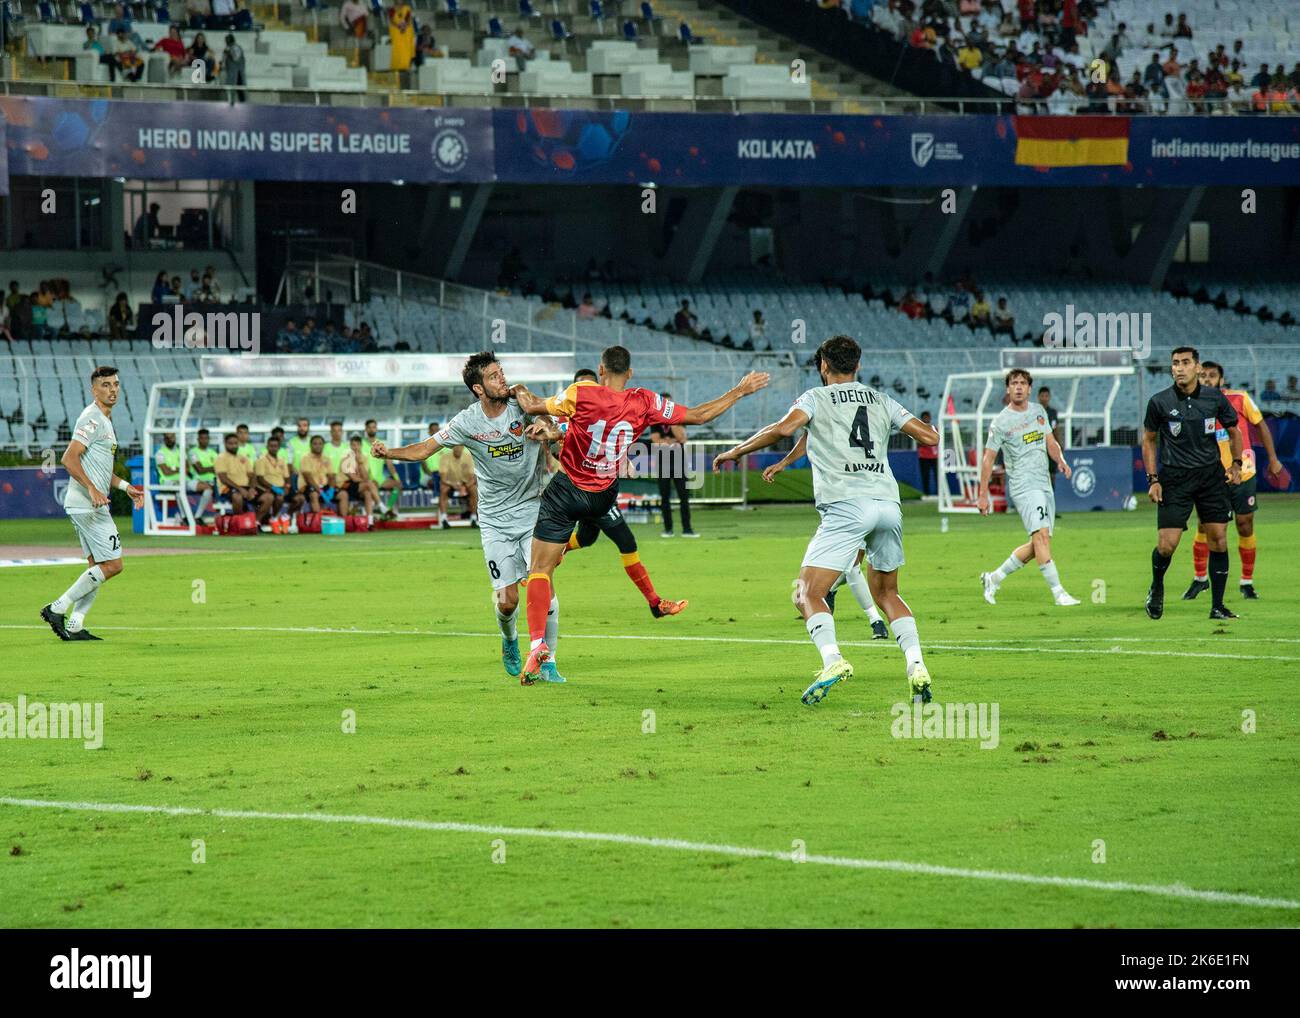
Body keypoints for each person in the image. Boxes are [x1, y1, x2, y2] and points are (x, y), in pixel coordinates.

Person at [511, 346, 769, 683]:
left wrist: (514, 388)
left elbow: (531, 405)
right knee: (593, 537)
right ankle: (646, 598)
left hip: (568, 488)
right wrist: (741, 389)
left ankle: (536, 644)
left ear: (601, 369)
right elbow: (701, 415)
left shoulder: (581, 392)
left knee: (539, 569)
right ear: (629, 373)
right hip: (603, 495)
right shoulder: (645, 401)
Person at [712, 335, 937, 706]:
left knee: (806, 593)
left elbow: (784, 429)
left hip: (847, 506)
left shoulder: (815, 398)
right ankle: (916, 665)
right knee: (888, 593)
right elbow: (929, 437)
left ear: (823, 366)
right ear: (858, 365)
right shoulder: (881, 400)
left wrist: (737, 451)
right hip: (888, 505)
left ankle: (833, 660)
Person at [372, 352, 561, 682]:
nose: (501, 380)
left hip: (533, 509)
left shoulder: (523, 403)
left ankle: (549, 662)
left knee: (542, 584)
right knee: (508, 600)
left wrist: (547, 428)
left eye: (502, 373)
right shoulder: (468, 422)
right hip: (494, 520)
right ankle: (510, 640)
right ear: (478, 388)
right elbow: (426, 449)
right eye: (493, 377)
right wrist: (390, 452)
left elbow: (554, 427)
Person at [41, 367, 145, 641]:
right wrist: (91, 488)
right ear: (94, 390)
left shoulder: (105, 421)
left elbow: (100, 470)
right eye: (105, 385)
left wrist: (126, 488)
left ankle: (75, 625)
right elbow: (68, 458)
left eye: (116, 384)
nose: (112, 390)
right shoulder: (92, 418)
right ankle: (57, 608)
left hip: (87, 504)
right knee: (114, 565)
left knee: (96, 567)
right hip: (87, 504)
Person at [1142, 347, 1241, 621]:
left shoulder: (1214, 398)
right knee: (1167, 545)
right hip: (1175, 478)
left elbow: (1234, 431)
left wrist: (1235, 464)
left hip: (1211, 477)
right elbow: (1149, 440)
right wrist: (1153, 480)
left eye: (1186, 362)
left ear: (1197, 368)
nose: (1180, 368)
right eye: (1175, 363)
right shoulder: (1159, 402)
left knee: (1219, 540)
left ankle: (1217, 606)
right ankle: (1157, 587)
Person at [762, 432, 892, 641]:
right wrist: (784, 462)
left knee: (852, 565)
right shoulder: (852, 410)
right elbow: (809, 436)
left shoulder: (836, 411)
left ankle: (828, 589)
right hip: (853, 502)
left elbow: (789, 430)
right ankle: (875, 620)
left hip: (863, 497)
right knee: (852, 566)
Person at [1183, 361, 1284, 602]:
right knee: (1204, 527)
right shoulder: (1192, 405)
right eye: (1204, 376)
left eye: (1212, 376)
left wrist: (1273, 458)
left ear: (1221, 379)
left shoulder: (1239, 398)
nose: (1207, 379)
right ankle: (1200, 580)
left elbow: (1260, 426)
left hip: (1243, 471)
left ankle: (1246, 582)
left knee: (1245, 524)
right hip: (1209, 475)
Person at [977, 370, 1079, 608]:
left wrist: (1061, 461)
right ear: (1008, 389)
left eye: (1023, 383)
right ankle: (1058, 593)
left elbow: (1050, 442)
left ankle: (993, 578)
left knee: (1037, 544)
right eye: (1014, 383)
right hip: (1024, 486)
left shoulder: (1038, 412)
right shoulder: (1001, 422)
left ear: (1030, 389)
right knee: (1042, 537)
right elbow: (988, 459)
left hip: (1043, 483)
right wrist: (983, 495)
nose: (1019, 387)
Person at [649, 392, 695, 538]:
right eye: (664, 403)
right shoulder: (654, 420)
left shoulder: (680, 418)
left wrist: (671, 421)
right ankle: (668, 529)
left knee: (684, 496)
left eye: (669, 403)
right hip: (663, 462)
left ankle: (687, 529)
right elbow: (655, 440)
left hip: (679, 462)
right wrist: (670, 441)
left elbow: (682, 438)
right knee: (665, 497)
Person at [215, 431, 265, 517]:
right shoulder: (221, 458)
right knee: (237, 496)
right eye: (230, 443)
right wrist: (240, 489)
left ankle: (256, 522)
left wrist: (252, 488)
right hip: (227, 488)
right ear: (225, 444)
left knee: (268, 497)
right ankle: (239, 522)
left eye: (235, 443)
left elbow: (252, 475)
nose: (234, 446)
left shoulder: (243, 458)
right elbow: (223, 478)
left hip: (246, 487)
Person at [361, 419, 402, 519]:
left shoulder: (381, 444)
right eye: (369, 427)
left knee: (398, 485)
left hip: (380, 478)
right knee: (372, 486)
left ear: (376, 429)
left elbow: (389, 464)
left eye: (374, 427)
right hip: (368, 479)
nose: (372, 429)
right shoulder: (361, 444)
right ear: (366, 429)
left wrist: (396, 477)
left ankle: (387, 510)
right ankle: (379, 511)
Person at [254, 435, 297, 525]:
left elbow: (287, 477)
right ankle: (264, 520)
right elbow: (260, 479)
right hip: (266, 488)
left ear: (279, 447)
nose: (273, 448)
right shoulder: (261, 460)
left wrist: (287, 487)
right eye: (271, 446)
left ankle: (281, 517)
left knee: (299, 498)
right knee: (277, 498)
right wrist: (274, 488)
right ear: (267, 447)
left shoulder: (282, 460)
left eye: (275, 446)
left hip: (281, 488)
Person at [437, 445, 478, 526]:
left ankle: (474, 518)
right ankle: (444, 519)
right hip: (450, 484)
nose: (458, 448)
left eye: (460, 446)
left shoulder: (469, 457)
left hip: (465, 484)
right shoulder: (445, 457)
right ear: (452, 447)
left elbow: (473, 477)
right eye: (456, 446)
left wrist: (464, 487)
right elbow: (443, 478)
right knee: (443, 489)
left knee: (474, 489)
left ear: (463, 447)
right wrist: (453, 485)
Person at [187, 427, 218, 523]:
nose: (204, 440)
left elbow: (218, 469)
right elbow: (199, 470)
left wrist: (209, 469)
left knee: (208, 491)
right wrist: (212, 468)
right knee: (208, 488)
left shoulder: (213, 453)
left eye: (206, 438)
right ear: (198, 439)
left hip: (212, 482)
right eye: (202, 438)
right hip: (197, 481)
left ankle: (197, 517)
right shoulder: (193, 452)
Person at [1037, 385, 1062, 485]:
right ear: (1038, 397)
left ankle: (1050, 496)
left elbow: (1055, 429)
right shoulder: (1034, 412)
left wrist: (1059, 444)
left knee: (1052, 473)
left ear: (1049, 397)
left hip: (1050, 446)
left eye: (1046, 396)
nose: (1044, 398)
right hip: (1038, 447)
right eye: (1042, 396)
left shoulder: (1052, 413)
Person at [916, 409, 938, 496]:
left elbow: (937, 440)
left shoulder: (934, 428)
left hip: (935, 456)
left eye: (927, 417)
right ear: (922, 419)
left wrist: (927, 440)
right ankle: (926, 493)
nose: (926, 419)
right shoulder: (919, 428)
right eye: (924, 418)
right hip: (924, 456)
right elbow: (919, 442)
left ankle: (940, 493)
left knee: (938, 476)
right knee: (925, 476)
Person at [389, 3, 416, 73]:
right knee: (397, 48)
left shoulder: (407, 8)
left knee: (406, 49)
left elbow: (408, 19)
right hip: (396, 31)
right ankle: (396, 66)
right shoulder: (392, 9)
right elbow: (391, 20)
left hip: (406, 32)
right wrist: (398, 26)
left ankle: (406, 66)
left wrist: (404, 26)